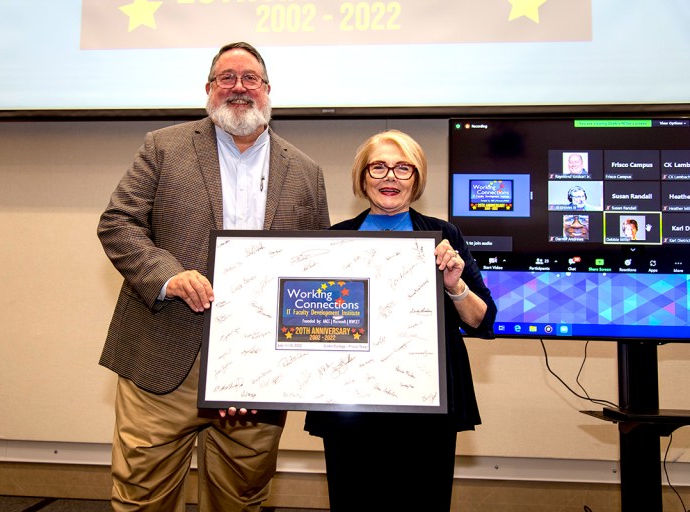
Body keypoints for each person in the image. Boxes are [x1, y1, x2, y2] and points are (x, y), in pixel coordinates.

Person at [97, 41, 331, 512]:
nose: (239, 87)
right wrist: (169, 277)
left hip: (261, 372)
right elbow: (117, 223)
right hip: (163, 363)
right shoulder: (163, 147)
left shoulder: (306, 170)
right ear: (208, 89)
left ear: (268, 91)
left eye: (251, 79)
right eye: (227, 77)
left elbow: (317, 269)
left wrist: (266, 371)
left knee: (239, 502)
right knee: (140, 501)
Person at [303, 129, 497, 511]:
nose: (390, 177)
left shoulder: (443, 235)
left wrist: (454, 285)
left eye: (402, 169)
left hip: (425, 407)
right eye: (378, 167)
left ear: (417, 179)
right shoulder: (334, 239)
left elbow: (483, 320)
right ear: (362, 178)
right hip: (351, 403)